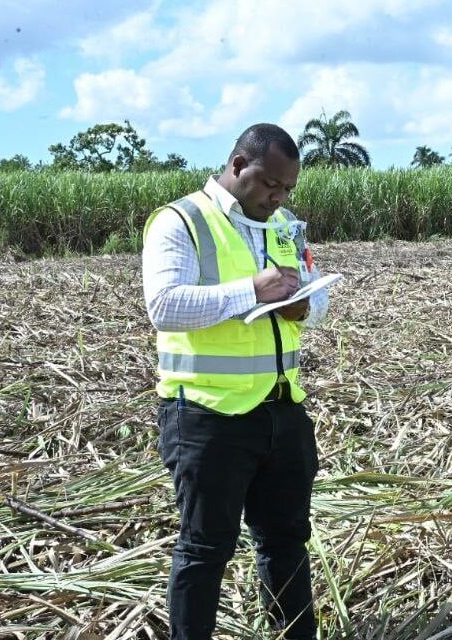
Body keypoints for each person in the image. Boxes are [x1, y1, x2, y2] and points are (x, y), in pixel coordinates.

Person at [142, 123, 329, 639]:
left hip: (282, 408)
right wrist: (251, 290)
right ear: (239, 165)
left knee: (287, 541)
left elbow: (314, 297)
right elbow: (164, 306)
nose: (279, 196)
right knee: (205, 548)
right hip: (208, 415)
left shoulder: (286, 224)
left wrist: (303, 308)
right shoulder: (181, 221)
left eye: (288, 187)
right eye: (271, 183)